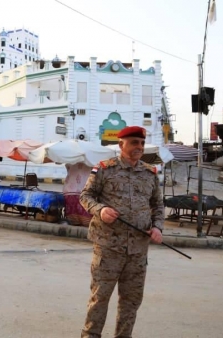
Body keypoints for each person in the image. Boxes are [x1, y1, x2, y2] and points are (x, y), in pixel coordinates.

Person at [79, 126, 163, 338]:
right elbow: (85, 196)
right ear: (121, 145)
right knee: (100, 298)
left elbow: (158, 205)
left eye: (142, 143)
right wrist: (101, 210)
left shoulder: (149, 173)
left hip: (138, 250)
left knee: (131, 301)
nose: (139, 147)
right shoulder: (105, 169)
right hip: (109, 247)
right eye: (134, 142)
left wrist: (157, 227)